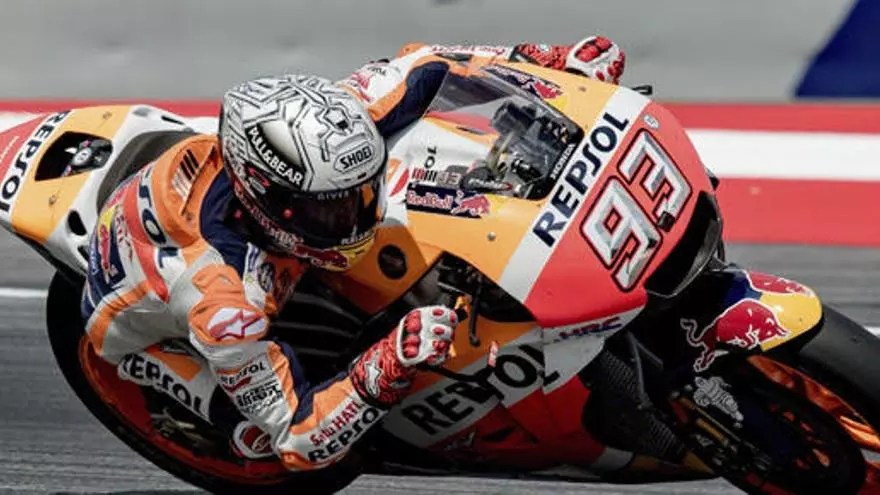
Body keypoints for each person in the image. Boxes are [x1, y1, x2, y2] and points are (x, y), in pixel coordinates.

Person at [81, 36, 626, 472]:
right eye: (330, 210)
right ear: (267, 199)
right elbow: (298, 438)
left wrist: (552, 62)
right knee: (254, 439)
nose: (354, 219)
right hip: (133, 324)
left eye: (360, 195)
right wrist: (386, 364)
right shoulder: (224, 304)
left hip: (219, 222)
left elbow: (431, 63)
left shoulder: (339, 128)